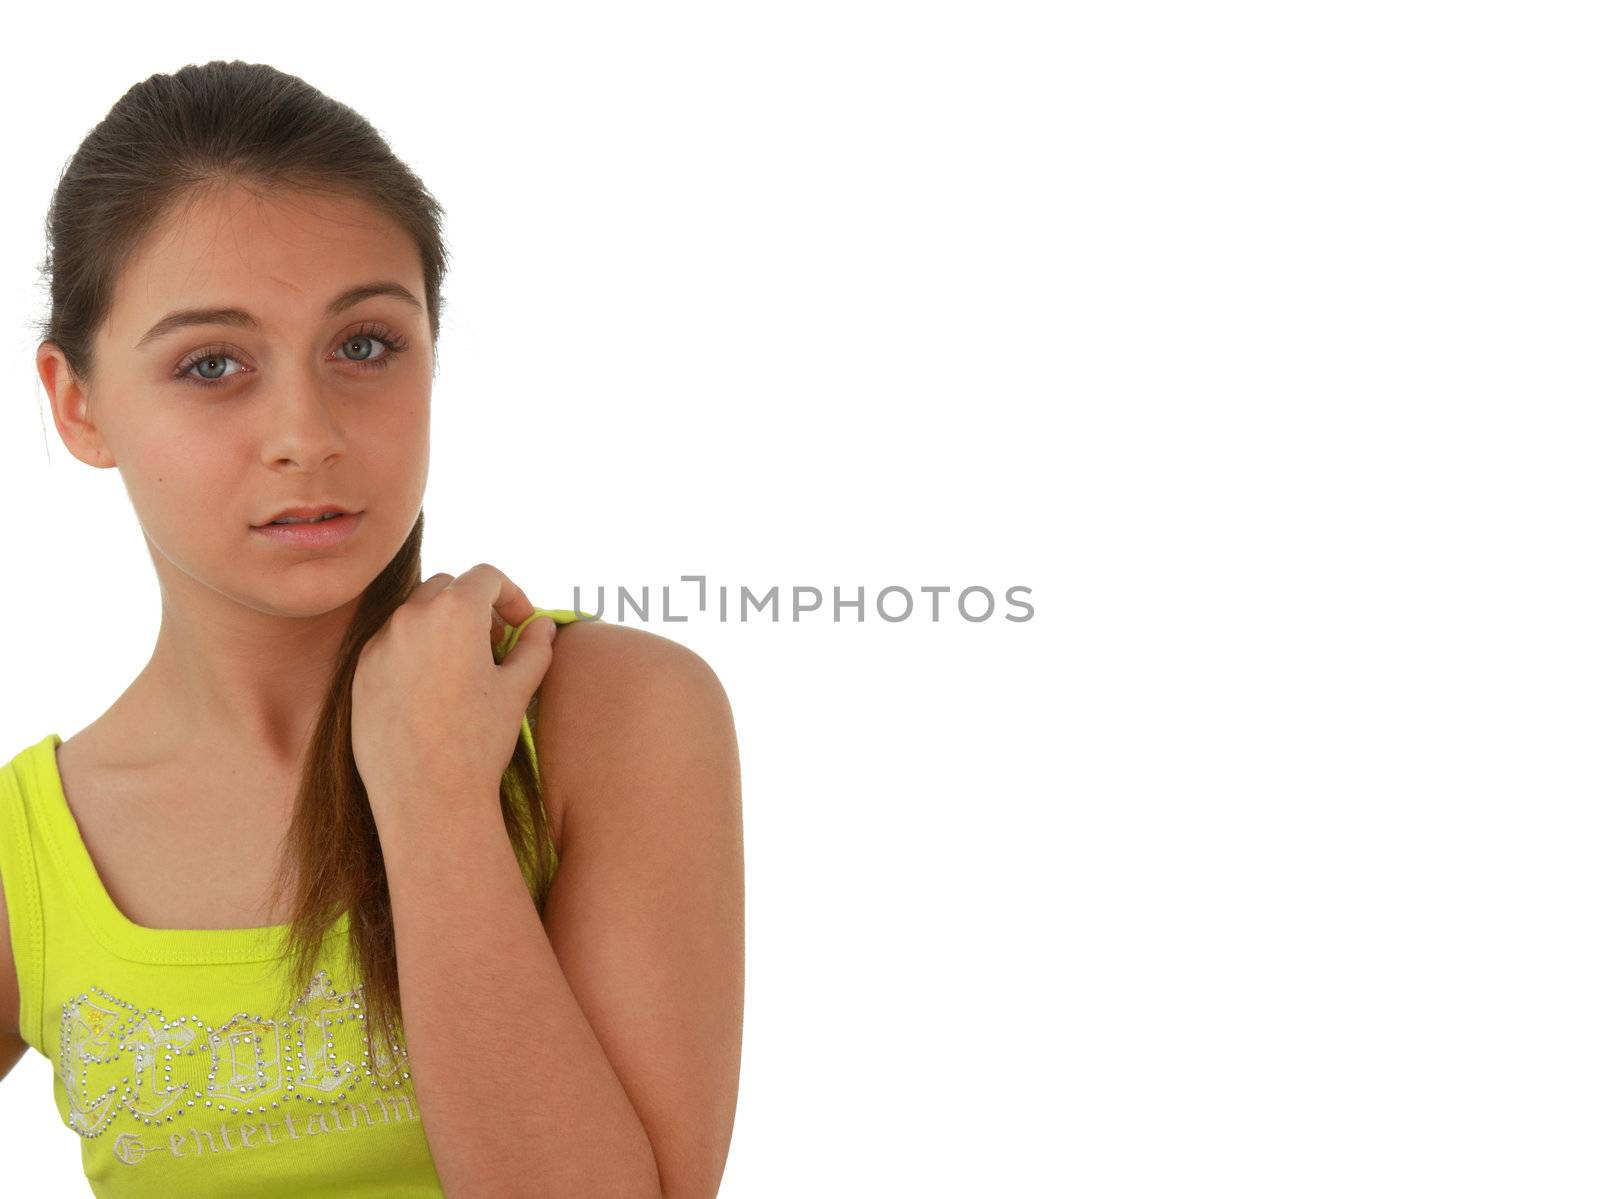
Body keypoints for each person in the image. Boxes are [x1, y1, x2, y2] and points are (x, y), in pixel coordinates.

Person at [0, 60, 743, 1198]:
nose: (307, 433)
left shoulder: (610, 712)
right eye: (212, 364)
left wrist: (435, 792)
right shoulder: (32, 850)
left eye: (364, 344)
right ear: (78, 404)